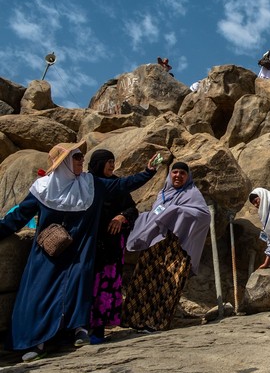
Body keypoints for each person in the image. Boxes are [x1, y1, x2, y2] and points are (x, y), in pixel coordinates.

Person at [0, 141, 157, 361]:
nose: (82, 161)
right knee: (39, 292)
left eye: (81, 157)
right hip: (49, 254)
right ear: (63, 161)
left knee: (77, 285)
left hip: (79, 253)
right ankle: (36, 342)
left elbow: (122, 185)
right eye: (76, 157)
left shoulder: (90, 183)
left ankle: (76, 331)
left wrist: (148, 172)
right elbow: (18, 217)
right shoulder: (43, 187)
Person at [122, 162, 211, 331]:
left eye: (182, 173)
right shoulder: (163, 194)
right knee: (145, 280)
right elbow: (155, 215)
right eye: (175, 172)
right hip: (155, 245)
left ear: (188, 177)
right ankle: (134, 320)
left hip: (176, 249)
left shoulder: (192, 194)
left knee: (168, 285)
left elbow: (203, 216)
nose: (178, 175)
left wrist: (176, 212)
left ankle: (156, 323)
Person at [87, 150, 140, 344]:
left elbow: (132, 208)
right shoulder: (85, 183)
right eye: (108, 162)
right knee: (85, 285)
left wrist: (122, 216)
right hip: (88, 245)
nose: (112, 165)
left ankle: (98, 330)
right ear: (98, 163)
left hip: (110, 248)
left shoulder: (117, 185)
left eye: (113, 162)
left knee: (104, 288)